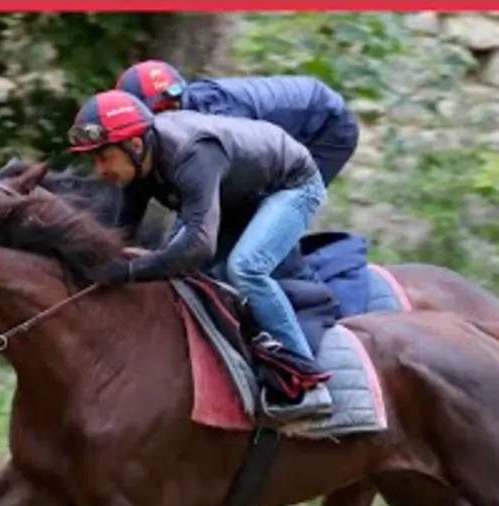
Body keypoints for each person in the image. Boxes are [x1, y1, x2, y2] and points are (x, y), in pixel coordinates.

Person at [67, 89, 333, 422]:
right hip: (239, 191)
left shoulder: (192, 154)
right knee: (189, 273)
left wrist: (129, 271)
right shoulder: (137, 165)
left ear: (134, 146)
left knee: (245, 269)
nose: (98, 169)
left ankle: (308, 380)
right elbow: (121, 239)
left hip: (292, 185)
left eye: (103, 157)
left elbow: (197, 246)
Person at [113, 60, 360, 189]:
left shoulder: (218, 116)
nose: (170, 112)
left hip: (329, 127)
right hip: (298, 116)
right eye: (162, 110)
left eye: (172, 105)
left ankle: (298, 282)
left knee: (274, 213)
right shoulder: (187, 118)